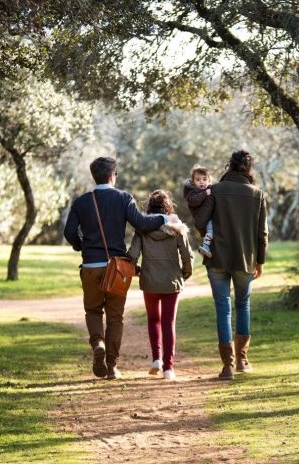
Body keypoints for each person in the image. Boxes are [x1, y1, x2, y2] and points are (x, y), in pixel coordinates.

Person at [63, 157, 171, 380]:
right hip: (117, 270)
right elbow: (141, 223)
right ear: (112, 176)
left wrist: (81, 247)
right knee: (115, 318)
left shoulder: (82, 201)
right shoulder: (123, 198)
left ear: (95, 176)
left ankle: (98, 344)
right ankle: (111, 366)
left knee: (93, 311)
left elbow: (69, 232)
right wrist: (163, 218)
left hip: (91, 266)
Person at [195, 150, 268, 380]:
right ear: (248, 168)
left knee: (223, 308)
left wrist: (210, 236)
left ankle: (227, 365)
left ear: (230, 165)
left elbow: (199, 221)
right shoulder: (257, 194)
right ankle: (243, 361)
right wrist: (260, 261)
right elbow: (262, 234)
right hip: (245, 260)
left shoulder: (215, 190)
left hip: (217, 257)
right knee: (243, 305)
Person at [128, 190, 193, 381]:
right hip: (172, 280)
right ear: (168, 208)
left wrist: (139, 271)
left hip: (149, 281)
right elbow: (187, 256)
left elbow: (132, 255)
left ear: (150, 208)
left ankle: (156, 359)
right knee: (168, 323)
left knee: (153, 320)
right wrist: (184, 274)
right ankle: (169, 369)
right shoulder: (177, 228)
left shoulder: (142, 228)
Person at [183, 165, 214, 258]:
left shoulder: (209, 189)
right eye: (198, 179)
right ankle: (205, 247)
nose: (201, 182)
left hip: (207, 216)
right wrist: (205, 193)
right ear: (193, 182)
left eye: (204, 179)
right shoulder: (192, 192)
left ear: (209, 181)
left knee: (210, 232)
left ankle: (207, 248)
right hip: (201, 217)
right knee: (211, 229)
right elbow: (194, 201)